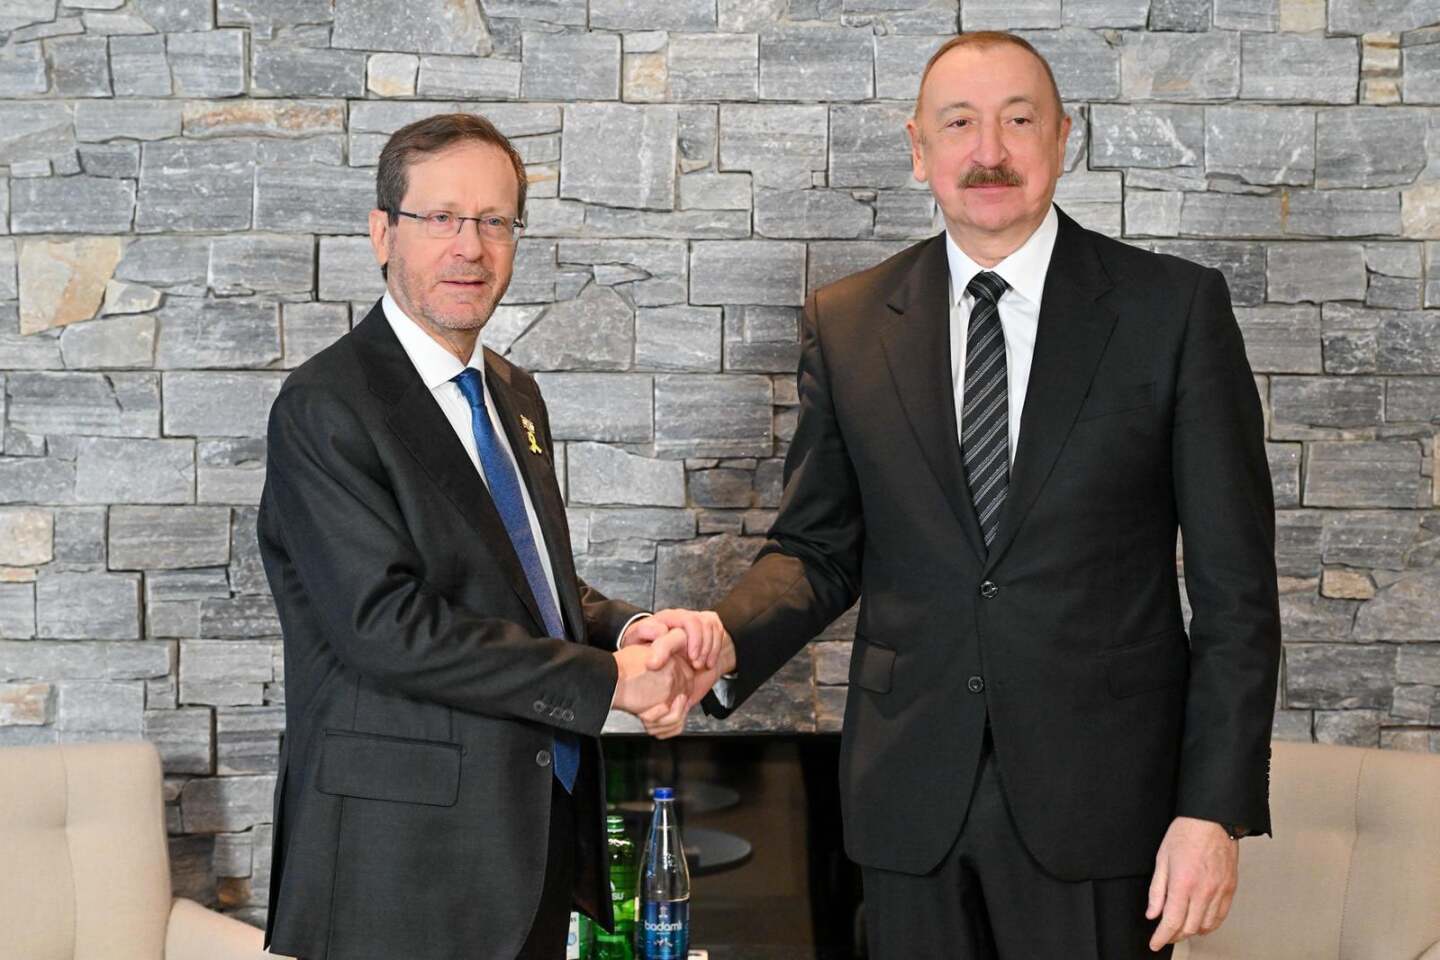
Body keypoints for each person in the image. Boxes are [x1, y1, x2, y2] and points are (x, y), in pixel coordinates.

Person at [640, 32, 1281, 958]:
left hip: (1103, 811)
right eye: (960, 124)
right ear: (917, 149)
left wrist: (1211, 811)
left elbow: (1236, 594)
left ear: (1065, 136)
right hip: (908, 801)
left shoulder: (1171, 313)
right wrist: (726, 637)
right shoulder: (849, 320)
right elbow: (819, 547)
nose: (990, 151)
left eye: (1019, 120)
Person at [256, 112, 713, 960]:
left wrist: (624, 627)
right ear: (381, 233)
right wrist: (609, 679)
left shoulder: (510, 392)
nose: (470, 247)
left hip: (528, 840)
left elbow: (525, 580)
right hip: (401, 866)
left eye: (494, 221)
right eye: (441, 218)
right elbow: (388, 629)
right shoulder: (326, 406)